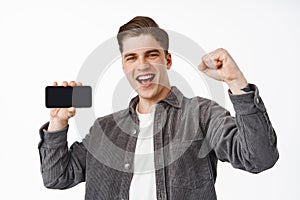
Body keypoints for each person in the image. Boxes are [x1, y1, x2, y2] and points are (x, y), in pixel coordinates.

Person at [38, 16, 279, 200]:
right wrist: (58, 123)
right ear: (124, 65)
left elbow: (259, 158)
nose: (142, 65)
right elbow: (57, 177)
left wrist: (236, 81)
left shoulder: (202, 114)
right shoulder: (104, 128)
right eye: (131, 57)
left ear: (168, 60)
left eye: (151, 55)